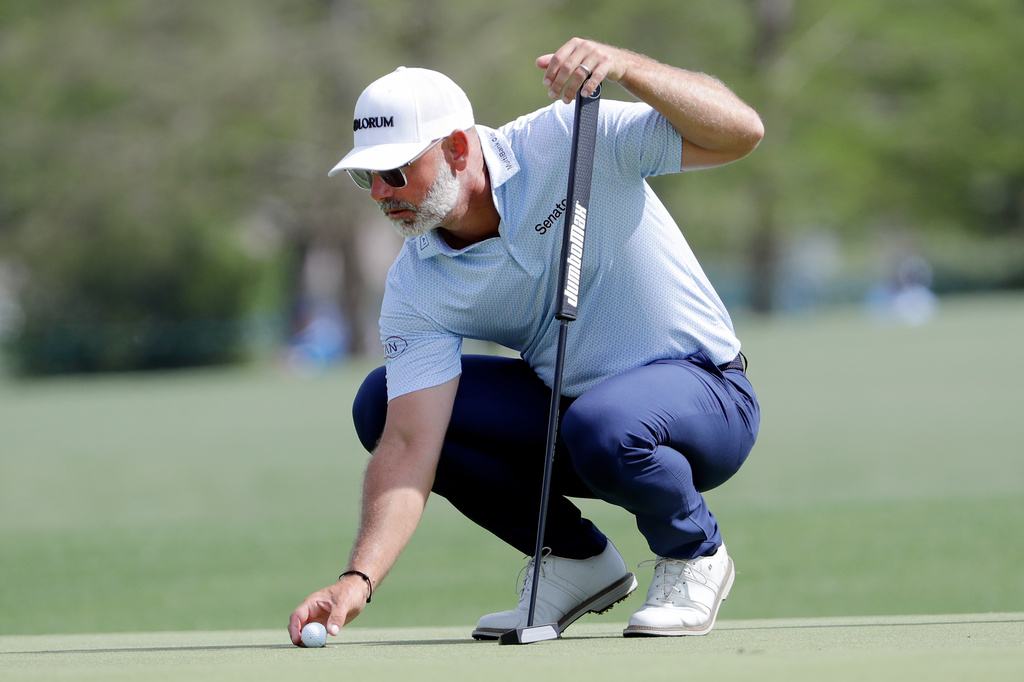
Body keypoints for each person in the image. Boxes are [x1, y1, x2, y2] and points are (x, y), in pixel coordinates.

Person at [288, 37, 763, 646]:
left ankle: (694, 553)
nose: (380, 192)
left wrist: (628, 68)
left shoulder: (570, 137)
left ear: (457, 149)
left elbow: (741, 133)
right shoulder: (416, 284)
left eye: (395, 172)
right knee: (382, 406)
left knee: (603, 423)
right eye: (366, 176)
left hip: (708, 396)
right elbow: (408, 443)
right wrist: (358, 579)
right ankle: (575, 560)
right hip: (581, 418)